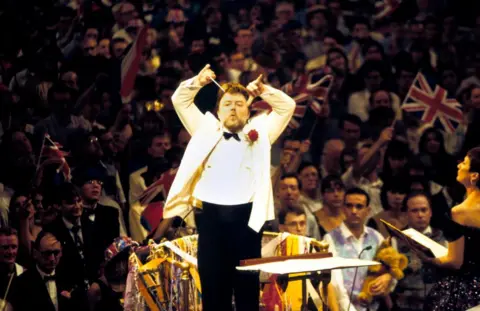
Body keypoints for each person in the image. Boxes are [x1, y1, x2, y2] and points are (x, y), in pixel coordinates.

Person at [160, 64, 295, 311]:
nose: (233, 108)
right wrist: (199, 81)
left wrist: (263, 90)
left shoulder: (261, 131)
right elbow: (179, 99)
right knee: (214, 291)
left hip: (247, 222)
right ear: (218, 110)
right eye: (228, 104)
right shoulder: (204, 129)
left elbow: (287, 106)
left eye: (239, 104)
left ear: (248, 109)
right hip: (210, 220)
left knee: (247, 293)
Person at [420, 147, 480, 310]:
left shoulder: (460, 212)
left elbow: (455, 262)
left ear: (474, 176)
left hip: (468, 292)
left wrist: (430, 259)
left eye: (465, 163)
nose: (459, 165)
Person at [323, 187, 394, 311]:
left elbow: (390, 266)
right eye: (349, 206)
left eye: (359, 206)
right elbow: (335, 284)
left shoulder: (376, 237)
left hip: (375, 306)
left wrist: (388, 277)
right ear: (343, 209)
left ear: (368, 210)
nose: (354, 211)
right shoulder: (330, 239)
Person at [392, 191, 447, 311]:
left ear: (430, 212)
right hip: (406, 306)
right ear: (406, 214)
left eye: (424, 210)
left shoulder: (445, 238)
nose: (420, 215)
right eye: (414, 210)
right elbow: (390, 278)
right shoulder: (396, 240)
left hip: (439, 304)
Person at [9, 231, 76, 311]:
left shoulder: (70, 277)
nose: (52, 258)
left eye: (56, 253)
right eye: (47, 253)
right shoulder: (21, 283)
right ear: (35, 253)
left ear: (61, 252)